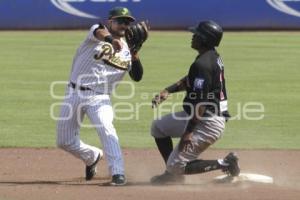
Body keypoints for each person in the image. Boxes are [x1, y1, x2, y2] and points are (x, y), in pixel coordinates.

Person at [56, 7, 144, 186]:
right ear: (110, 21)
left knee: (106, 128)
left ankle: (117, 173)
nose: (124, 25)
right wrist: (112, 40)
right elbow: (99, 31)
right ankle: (92, 156)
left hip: (100, 98)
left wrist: (135, 53)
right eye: (120, 21)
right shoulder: (97, 32)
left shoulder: (127, 50)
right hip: (74, 92)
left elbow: (137, 76)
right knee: (64, 141)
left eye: (127, 22)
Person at [150, 20, 240, 184]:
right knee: (158, 127)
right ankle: (172, 175)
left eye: (196, 35)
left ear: (205, 39)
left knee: (176, 165)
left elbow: (201, 101)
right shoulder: (211, 56)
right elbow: (191, 80)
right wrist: (168, 90)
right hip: (200, 115)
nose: (192, 37)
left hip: (208, 122)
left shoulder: (203, 64)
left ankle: (225, 163)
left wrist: (188, 133)